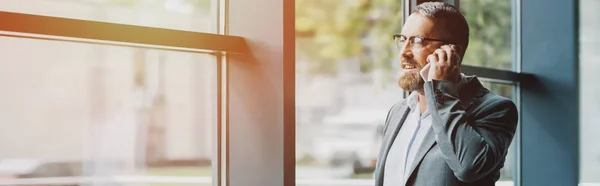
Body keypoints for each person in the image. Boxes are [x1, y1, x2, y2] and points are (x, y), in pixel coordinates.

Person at [373, 2, 519, 186]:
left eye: (418, 41)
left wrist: (441, 88)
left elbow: (469, 168)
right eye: (403, 39)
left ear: (451, 52)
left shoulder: (496, 109)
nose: (404, 52)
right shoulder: (398, 111)